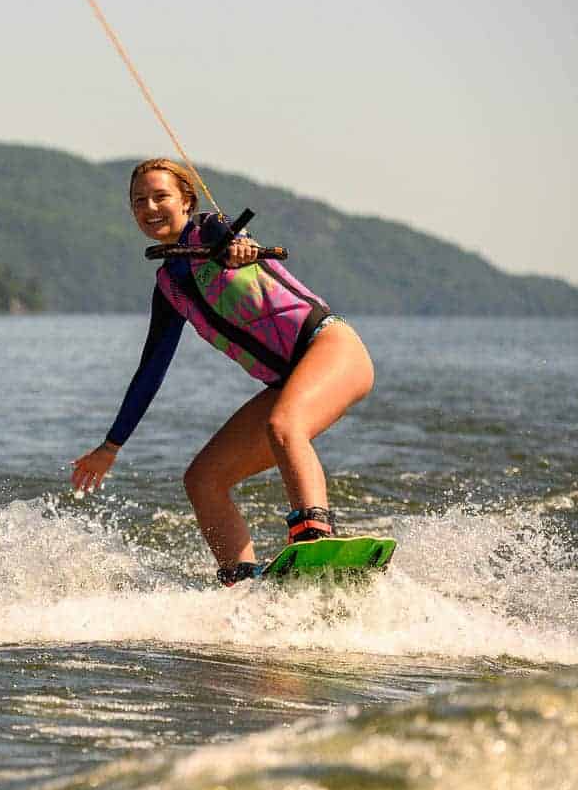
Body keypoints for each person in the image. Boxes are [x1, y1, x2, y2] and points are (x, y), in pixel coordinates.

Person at [70, 158, 375, 586]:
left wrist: (240, 246)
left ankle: (315, 539)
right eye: (139, 201)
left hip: (331, 347)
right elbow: (150, 371)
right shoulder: (169, 287)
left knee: (283, 424)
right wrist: (110, 445)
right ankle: (243, 582)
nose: (150, 206)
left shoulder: (210, 229)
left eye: (161, 196)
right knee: (203, 479)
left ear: (186, 200)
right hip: (287, 380)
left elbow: (228, 232)